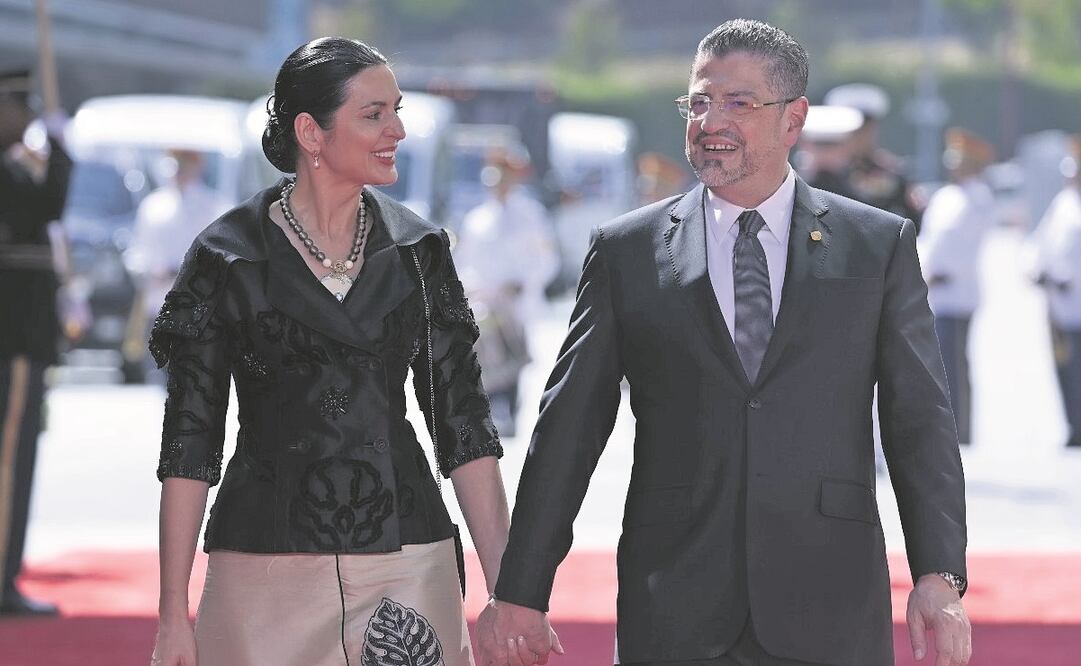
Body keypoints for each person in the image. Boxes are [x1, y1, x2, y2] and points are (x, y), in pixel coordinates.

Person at [479, 19, 970, 666]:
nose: (710, 120)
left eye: (737, 103)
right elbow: (569, 426)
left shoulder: (875, 245)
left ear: (792, 120)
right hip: (675, 599)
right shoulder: (626, 251)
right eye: (699, 101)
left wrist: (938, 572)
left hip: (826, 595)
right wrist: (521, 589)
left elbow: (918, 420)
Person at [149, 38, 514, 666]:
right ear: (310, 134)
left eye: (396, 111)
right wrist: (170, 613)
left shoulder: (418, 251)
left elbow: (464, 430)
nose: (397, 129)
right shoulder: (228, 256)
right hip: (263, 563)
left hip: (406, 555)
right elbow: (189, 441)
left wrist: (511, 593)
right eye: (373, 114)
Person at [0, 67, 71, 617]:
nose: (23, 121)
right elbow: (45, 209)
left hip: (16, 334)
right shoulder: (8, 174)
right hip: (13, 337)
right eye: (16, 108)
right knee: (10, 459)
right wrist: (61, 149)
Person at [454, 149, 559, 437]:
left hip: (516, 302)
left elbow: (547, 259)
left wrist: (524, 282)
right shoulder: (477, 219)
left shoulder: (531, 215)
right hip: (485, 303)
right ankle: (493, 411)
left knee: (514, 358)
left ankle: (511, 411)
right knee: (486, 358)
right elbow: (464, 262)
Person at [123, 149, 231, 381]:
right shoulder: (153, 207)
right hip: (161, 300)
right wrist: (149, 271)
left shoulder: (214, 206)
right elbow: (138, 252)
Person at [917, 128, 996, 446]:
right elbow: (930, 239)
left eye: (960, 160)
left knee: (954, 365)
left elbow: (966, 246)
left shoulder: (978, 197)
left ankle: (960, 430)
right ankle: (946, 425)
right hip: (935, 290)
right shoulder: (947, 196)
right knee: (939, 363)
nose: (953, 165)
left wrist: (940, 271)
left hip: (956, 291)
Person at [1033, 136, 1081, 448]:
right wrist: (1035, 269)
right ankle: (1073, 424)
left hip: (1077, 296)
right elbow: (1041, 241)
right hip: (1058, 301)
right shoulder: (1063, 203)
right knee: (1064, 366)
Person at [823, 83, 925, 230]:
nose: (859, 135)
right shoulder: (823, 171)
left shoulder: (892, 173)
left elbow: (915, 222)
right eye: (853, 129)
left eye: (865, 128)